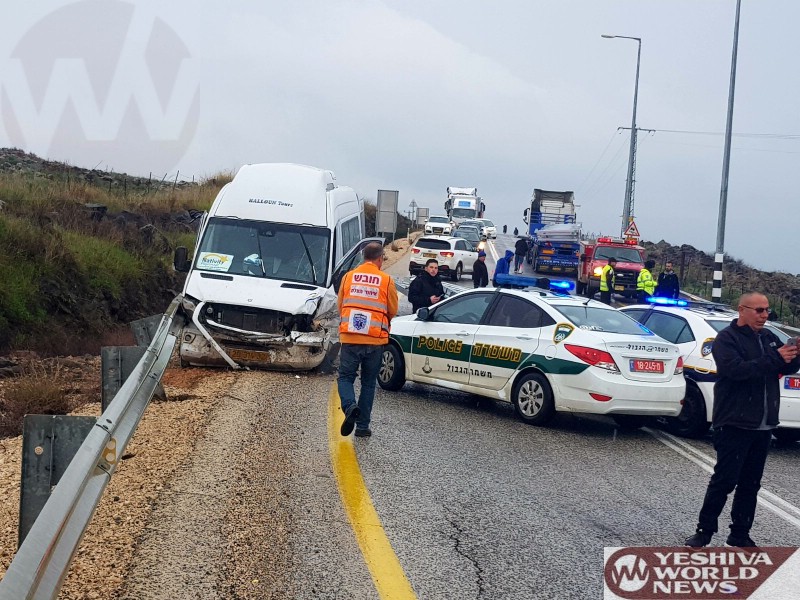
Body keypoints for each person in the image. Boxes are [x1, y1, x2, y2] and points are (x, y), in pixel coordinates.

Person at [685, 293, 800, 548]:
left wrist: (794, 354)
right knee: (725, 480)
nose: (764, 315)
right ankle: (704, 531)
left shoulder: (768, 337)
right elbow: (736, 370)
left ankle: (739, 533)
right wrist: (777, 357)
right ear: (742, 310)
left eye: (767, 310)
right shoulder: (727, 339)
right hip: (735, 421)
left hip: (764, 423)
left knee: (751, 484)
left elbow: (783, 367)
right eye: (759, 310)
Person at [337, 242, 399, 438]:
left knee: (345, 378)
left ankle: (349, 407)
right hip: (375, 339)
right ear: (380, 258)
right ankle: (362, 427)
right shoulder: (386, 280)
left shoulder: (348, 277)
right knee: (369, 383)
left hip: (350, 337)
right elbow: (393, 309)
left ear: (364, 257)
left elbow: (340, 305)